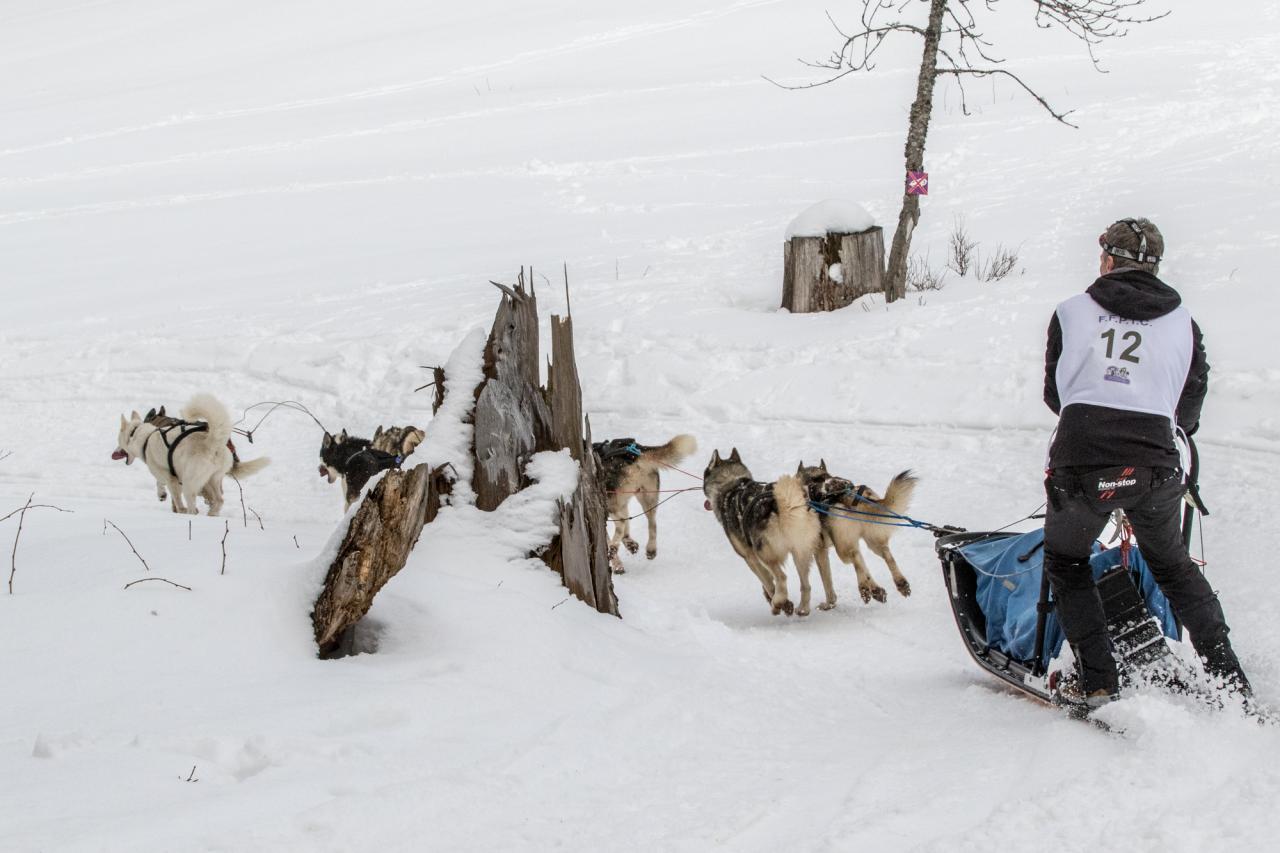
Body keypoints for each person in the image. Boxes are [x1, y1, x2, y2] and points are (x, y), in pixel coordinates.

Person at [1042, 217, 1250, 707]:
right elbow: (1189, 408)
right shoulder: (1184, 322)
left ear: (1109, 260)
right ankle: (1231, 681)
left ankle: (1098, 683)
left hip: (1082, 460)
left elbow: (1055, 394)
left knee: (1067, 561)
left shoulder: (1071, 312)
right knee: (1174, 567)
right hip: (1154, 462)